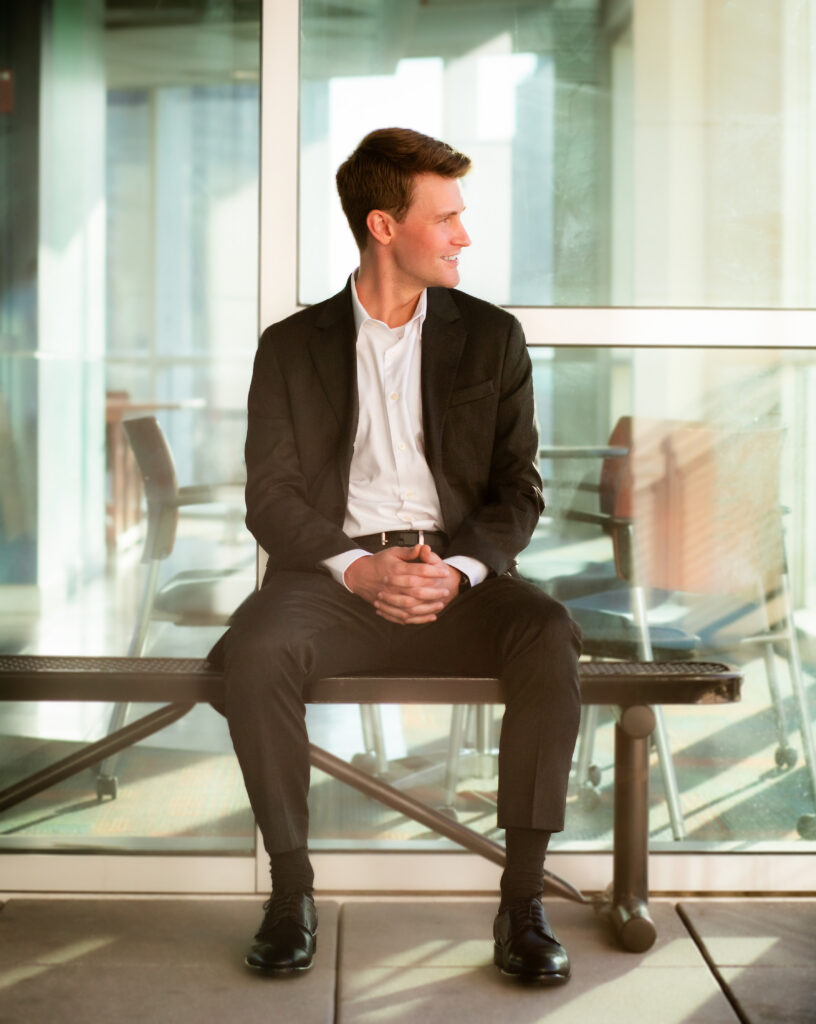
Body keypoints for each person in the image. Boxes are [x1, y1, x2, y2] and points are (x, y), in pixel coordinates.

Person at [209, 127, 582, 984]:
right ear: (384, 226)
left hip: (458, 578)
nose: (462, 235)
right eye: (445, 216)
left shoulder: (491, 337)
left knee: (549, 632)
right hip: (332, 580)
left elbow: (517, 490)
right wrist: (355, 567)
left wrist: (456, 571)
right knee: (259, 648)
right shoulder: (291, 346)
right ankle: (289, 892)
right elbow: (272, 497)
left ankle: (521, 902)